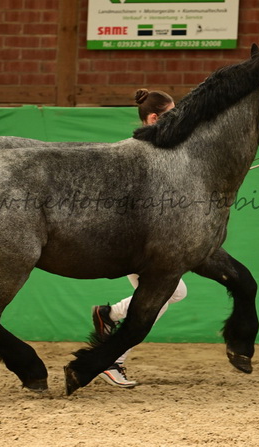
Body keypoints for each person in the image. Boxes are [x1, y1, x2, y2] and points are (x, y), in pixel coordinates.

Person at [91, 89, 187, 388]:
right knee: (165, 294)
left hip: (146, 237)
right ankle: (112, 355)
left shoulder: (162, 149)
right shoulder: (140, 150)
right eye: (172, 114)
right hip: (136, 240)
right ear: (154, 118)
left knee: (173, 293)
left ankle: (111, 317)